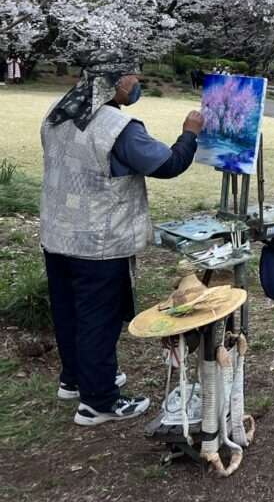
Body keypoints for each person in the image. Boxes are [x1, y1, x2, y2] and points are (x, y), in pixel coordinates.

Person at [40, 55, 205, 426]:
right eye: (132, 75)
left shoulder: (58, 111)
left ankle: (75, 379)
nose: (137, 81)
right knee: (98, 318)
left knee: (69, 312)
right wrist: (190, 132)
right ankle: (98, 402)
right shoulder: (117, 126)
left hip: (57, 233)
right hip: (99, 239)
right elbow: (168, 164)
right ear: (113, 82)